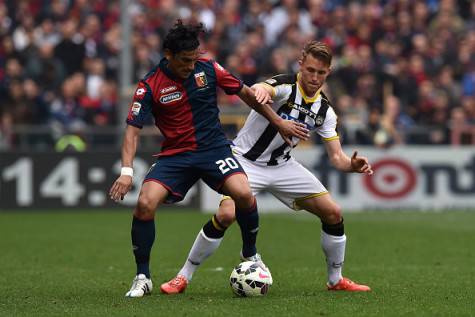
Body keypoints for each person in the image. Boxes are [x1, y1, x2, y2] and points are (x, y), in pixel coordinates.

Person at [108, 20, 308, 298]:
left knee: (243, 193)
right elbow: (132, 132)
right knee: (144, 204)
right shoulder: (149, 85)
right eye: (185, 61)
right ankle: (143, 277)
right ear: (168, 55)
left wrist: (277, 122)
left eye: (194, 59)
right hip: (176, 156)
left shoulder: (209, 68)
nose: (191, 66)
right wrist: (127, 171)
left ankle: (250, 254)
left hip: (214, 150)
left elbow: (248, 95)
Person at [160, 41, 373, 294]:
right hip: (245, 161)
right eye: (311, 70)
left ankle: (335, 279)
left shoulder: (325, 111)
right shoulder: (283, 86)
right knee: (227, 214)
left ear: (329, 72)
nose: (315, 77)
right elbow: (262, 89)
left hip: (283, 167)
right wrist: (261, 92)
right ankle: (183, 276)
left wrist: (352, 165)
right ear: (301, 63)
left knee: (333, 213)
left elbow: (337, 158)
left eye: (321, 73)